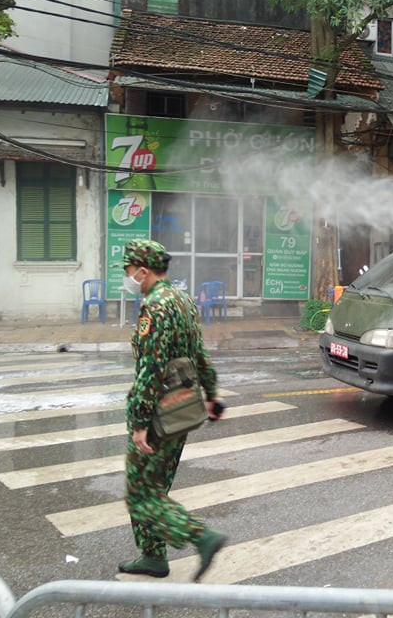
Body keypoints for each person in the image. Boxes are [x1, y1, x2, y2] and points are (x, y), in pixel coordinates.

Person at [117, 239, 227, 582]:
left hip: (158, 414)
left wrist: (139, 423)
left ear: (143, 271)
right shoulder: (183, 300)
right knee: (155, 487)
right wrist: (211, 395)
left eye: (128, 271)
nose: (127, 277)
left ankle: (201, 536)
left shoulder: (155, 307)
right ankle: (153, 556)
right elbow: (200, 354)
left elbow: (150, 370)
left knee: (140, 494)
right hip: (184, 407)